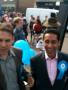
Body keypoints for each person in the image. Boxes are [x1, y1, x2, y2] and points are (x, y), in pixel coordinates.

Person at [0, 23, 34, 90]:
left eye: (7, 40)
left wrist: (28, 75)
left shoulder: (18, 52)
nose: (3, 45)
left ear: (13, 39)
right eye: (0, 40)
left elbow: (20, 68)